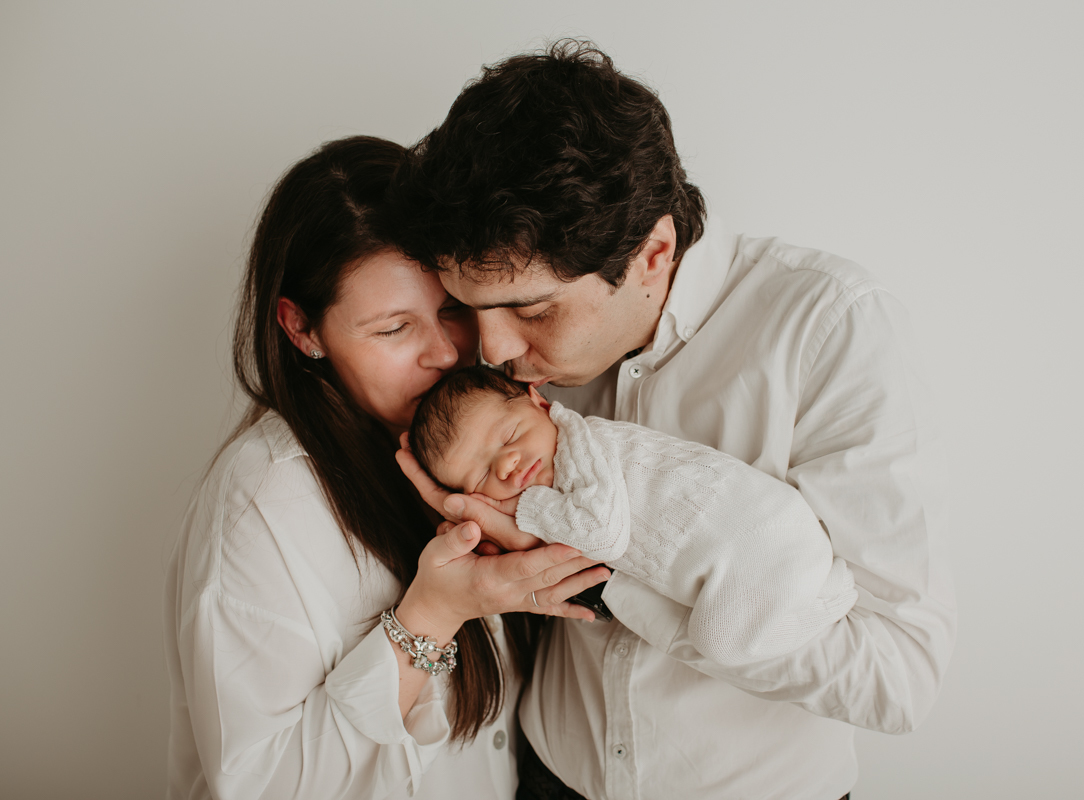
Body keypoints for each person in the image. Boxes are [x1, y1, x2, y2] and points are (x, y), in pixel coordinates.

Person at [394, 42, 957, 800]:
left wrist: (626, 593)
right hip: (545, 775)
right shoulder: (510, 383)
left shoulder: (830, 328)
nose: (492, 351)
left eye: (532, 310)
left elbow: (899, 675)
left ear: (652, 252)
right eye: (474, 310)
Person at [163, 136, 609, 800]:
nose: (443, 352)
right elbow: (264, 786)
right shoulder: (267, 502)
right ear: (301, 329)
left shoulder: (490, 444)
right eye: (392, 329)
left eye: (452, 310)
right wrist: (432, 614)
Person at [407, 365, 858, 668]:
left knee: (718, 642)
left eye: (510, 435)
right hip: (749, 554)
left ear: (539, 402)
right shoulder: (560, 476)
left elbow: (603, 536)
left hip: (764, 541)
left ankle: (825, 598)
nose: (507, 465)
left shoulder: (582, 447)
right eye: (483, 474)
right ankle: (811, 593)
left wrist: (522, 512)